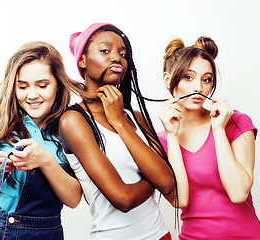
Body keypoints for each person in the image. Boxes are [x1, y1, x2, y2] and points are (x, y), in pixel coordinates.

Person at [59, 22, 175, 240]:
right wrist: (155, 177)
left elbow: (168, 184)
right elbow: (122, 198)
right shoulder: (74, 121)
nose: (117, 58)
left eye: (123, 53)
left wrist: (120, 122)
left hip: (161, 235)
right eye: (105, 50)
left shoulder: (136, 118)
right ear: (82, 60)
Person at [0, 41, 82, 240]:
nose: (32, 95)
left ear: (58, 86)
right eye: (22, 86)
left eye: (43, 85)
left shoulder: (70, 128)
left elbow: (74, 199)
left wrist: (45, 161)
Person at [157, 36, 260, 239]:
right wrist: (171, 136)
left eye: (206, 79)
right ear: (168, 79)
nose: (198, 87)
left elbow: (238, 193)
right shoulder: (161, 141)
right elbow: (181, 201)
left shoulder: (236, 122)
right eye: (188, 77)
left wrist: (219, 131)